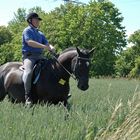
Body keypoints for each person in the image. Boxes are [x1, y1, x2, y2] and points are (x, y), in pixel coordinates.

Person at [22, 12, 55, 106]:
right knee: (28, 73)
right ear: (30, 21)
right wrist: (45, 46)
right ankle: (27, 96)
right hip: (29, 57)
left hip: (40, 56)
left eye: (38, 20)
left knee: (53, 70)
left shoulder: (40, 33)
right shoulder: (27, 31)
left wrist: (51, 47)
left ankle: (59, 91)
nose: (38, 21)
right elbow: (30, 42)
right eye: (36, 20)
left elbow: (47, 44)